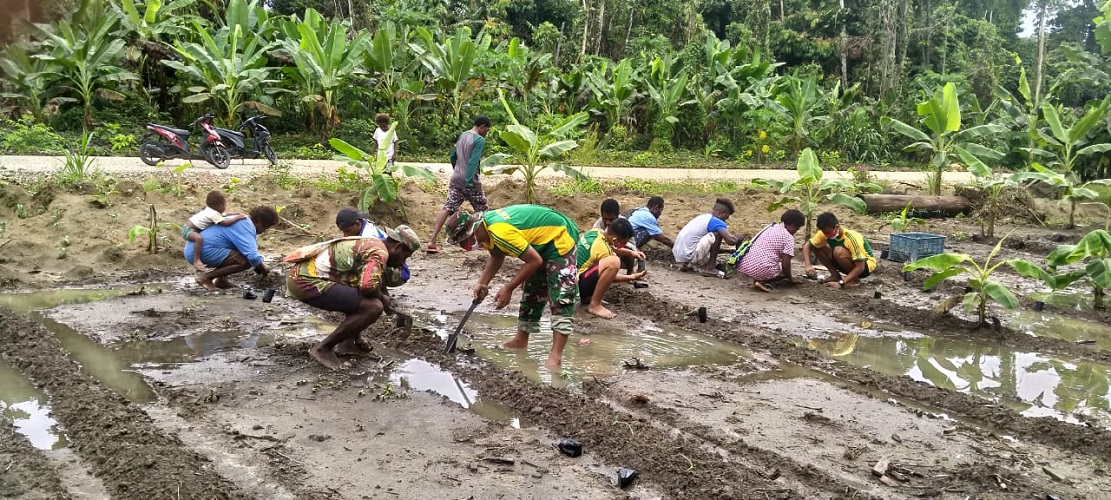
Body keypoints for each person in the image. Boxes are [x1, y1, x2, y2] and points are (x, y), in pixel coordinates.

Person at [444, 205, 579, 367]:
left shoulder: (500, 232)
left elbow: (535, 261)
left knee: (561, 295)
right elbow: (496, 255)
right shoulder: (486, 230)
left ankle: (555, 356)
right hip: (540, 244)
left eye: (462, 242)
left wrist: (509, 288)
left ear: (471, 232)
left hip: (560, 236)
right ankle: (521, 340)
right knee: (532, 290)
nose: (462, 247)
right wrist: (482, 283)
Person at [284, 226, 421, 370]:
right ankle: (323, 348)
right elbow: (368, 286)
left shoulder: (373, 243)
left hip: (301, 277)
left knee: (361, 298)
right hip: (306, 282)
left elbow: (372, 280)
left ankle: (347, 344)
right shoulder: (379, 252)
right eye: (405, 257)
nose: (402, 263)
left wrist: (358, 336)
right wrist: (382, 298)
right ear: (398, 246)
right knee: (373, 307)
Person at [426, 115, 493, 254]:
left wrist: (457, 170)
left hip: (456, 177)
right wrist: (468, 180)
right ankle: (482, 241)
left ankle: (431, 241)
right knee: (482, 209)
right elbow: (474, 161)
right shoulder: (479, 140)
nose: (487, 133)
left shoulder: (463, 135)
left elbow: (453, 155)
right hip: (470, 180)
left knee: (448, 207)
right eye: (487, 130)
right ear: (481, 126)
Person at [183, 206, 278, 290]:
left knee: (238, 251)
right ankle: (206, 278)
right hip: (202, 251)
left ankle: (222, 281)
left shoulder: (242, 220)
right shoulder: (246, 226)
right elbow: (252, 256)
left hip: (194, 248)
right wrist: (263, 269)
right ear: (259, 222)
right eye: (265, 228)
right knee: (245, 261)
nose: (264, 231)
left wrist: (259, 266)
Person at [577, 218, 646, 318]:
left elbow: (612, 248)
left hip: (573, 278)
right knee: (614, 262)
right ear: (615, 239)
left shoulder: (596, 232)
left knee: (609, 261)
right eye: (623, 243)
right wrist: (632, 277)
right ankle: (594, 305)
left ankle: (588, 298)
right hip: (577, 287)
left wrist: (631, 253)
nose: (624, 246)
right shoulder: (602, 249)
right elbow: (610, 276)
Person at [335, 207, 410, 287]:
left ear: (357, 224)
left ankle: (379, 289)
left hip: (398, 273)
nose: (345, 235)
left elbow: (378, 261)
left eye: (347, 231)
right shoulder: (363, 226)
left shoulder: (369, 237)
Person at [802, 212, 877, 289]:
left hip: (864, 267)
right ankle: (835, 276)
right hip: (844, 263)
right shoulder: (824, 233)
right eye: (825, 233)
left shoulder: (852, 238)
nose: (827, 235)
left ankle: (854, 280)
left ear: (837, 227)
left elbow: (860, 267)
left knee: (838, 251)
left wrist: (842, 283)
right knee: (816, 246)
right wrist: (808, 266)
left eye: (829, 233)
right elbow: (807, 245)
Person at [738, 209, 805, 292]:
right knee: (781, 268)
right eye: (797, 228)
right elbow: (786, 264)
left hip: (744, 266)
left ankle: (757, 279)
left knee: (767, 260)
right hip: (761, 269)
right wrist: (791, 279)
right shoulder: (788, 238)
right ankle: (763, 281)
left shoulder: (771, 227)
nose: (796, 231)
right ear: (792, 225)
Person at [181, 190, 245, 272]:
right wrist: (238, 217)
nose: (225, 207)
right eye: (225, 205)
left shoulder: (210, 210)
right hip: (188, 230)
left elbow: (224, 214)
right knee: (199, 239)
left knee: (199, 238)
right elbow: (226, 223)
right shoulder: (213, 214)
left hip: (188, 227)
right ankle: (197, 260)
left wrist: (234, 213)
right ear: (221, 205)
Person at [673, 198, 741, 275]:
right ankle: (710, 268)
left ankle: (688, 264)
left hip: (679, 256)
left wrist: (727, 251)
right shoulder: (716, 221)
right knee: (717, 234)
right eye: (725, 218)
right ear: (721, 213)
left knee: (713, 235)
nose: (724, 221)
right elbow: (731, 241)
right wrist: (738, 237)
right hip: (689, 255)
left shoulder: (703, 217)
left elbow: (709, 246)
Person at [592, 198, 646, 275]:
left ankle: (630, 271)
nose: (608, 222)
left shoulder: (624, 224)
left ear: (618, 215)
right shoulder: (597, 226)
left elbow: (632, 246)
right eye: (605, 219)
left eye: (611, 219)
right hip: (604, 252)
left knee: (628, 248)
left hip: (622, 253)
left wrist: (626, 251)